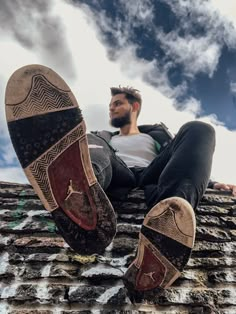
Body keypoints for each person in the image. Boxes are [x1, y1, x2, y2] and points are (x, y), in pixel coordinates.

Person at [6, 65, 236, 293]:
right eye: (110, 105)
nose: (112, 109)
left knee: (200, 129)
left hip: (151, 176)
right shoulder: (103, 137)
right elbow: (94, 148)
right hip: (115, 173)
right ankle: (79, 197)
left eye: (117, 103)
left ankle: (171, 221)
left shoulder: (156, 134)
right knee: (91, 142)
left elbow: (186, 157)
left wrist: (213, 183)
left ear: (134, 106)